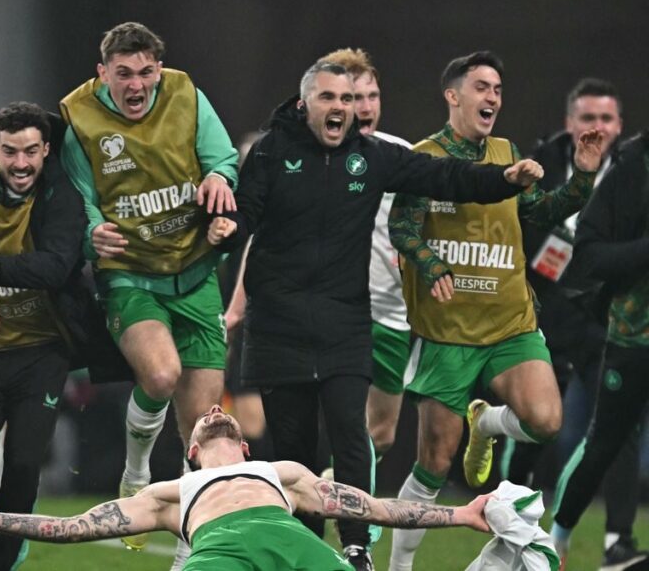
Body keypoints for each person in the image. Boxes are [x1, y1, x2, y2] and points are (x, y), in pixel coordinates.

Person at [221, 59, 549, 571]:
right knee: (293, 448)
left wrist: (504, 178)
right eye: (330, 98)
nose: (342, 108)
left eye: (348, 100)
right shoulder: (270, 152)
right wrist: (223, 225)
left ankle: (356, 547)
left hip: (345, 321)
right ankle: (305, 548)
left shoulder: (373, 157)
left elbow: (446, 176)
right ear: (305, 104)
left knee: (354, 435)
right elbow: (246, 215)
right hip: (280, 324)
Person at [387, 51, 603, 570]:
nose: (493, 98)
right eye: (482, 87)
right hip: (448, 333)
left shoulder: (506, 151)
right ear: (452, 94)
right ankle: (396, 568)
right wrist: (431, 265)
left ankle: (486, 425)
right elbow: (402, 227)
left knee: (548, 420)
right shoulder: (425, 156)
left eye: (499, 90)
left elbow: (542, 212)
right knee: (434, 462)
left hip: (510, 324)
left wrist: (583, 178)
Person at [58, 21, 239, 561]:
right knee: (161, 374)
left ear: (158, 70)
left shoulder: (186, 94)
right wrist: (92, 231)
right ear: (102, 73)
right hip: (130, 275)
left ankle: (190, 544)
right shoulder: (79, 119)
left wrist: (220, 182)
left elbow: (223, 158)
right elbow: (77, 195)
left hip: (196, 273)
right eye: (123, 74)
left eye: (145, 72)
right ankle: (136, 475)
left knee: (205, 428)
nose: (136, 85)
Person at [0, 404, 492, 571]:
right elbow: (76, 526)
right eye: (205, 417)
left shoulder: (284, 473)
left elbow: (375, 509)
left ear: (245, 448)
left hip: (290, 541)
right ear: (193, 450)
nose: (216, 410)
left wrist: (462, 514)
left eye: (221, 414)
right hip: (216, 551)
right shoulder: (172, 492)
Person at [509, 77, 646, 568]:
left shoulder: (630, 167)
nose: (598, 127)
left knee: (617, 431)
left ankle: (616, 543)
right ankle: (513, 517)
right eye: (588, 117)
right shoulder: (541, 165)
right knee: (537, 425)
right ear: (570, 123)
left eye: (607, 118)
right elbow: (522, 239)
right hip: (545, 314)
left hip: (600, 320)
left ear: (620, 123)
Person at [0, 102, 86, 570]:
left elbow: (58, 264)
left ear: (47, 149)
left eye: (31, 151)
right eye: (10, 151)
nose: (21, 163)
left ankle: (0, 564)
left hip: (40, 350)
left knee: (25, 462)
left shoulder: (60, 195)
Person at [550, 129, 649, 569]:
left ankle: (617, 546)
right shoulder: (633, 168)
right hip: (635, 337)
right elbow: (587, 255)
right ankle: (556, 541)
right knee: (605, 442)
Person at [318, 48, 414, 463]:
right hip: (342, 311)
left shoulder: (400, 154)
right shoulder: (316, 159)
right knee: (340, 422)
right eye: (355, 98)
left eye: (373, 96)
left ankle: (332, 489)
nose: (367, 106)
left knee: (382, 434)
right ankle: (325, 510)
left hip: (394, 313)